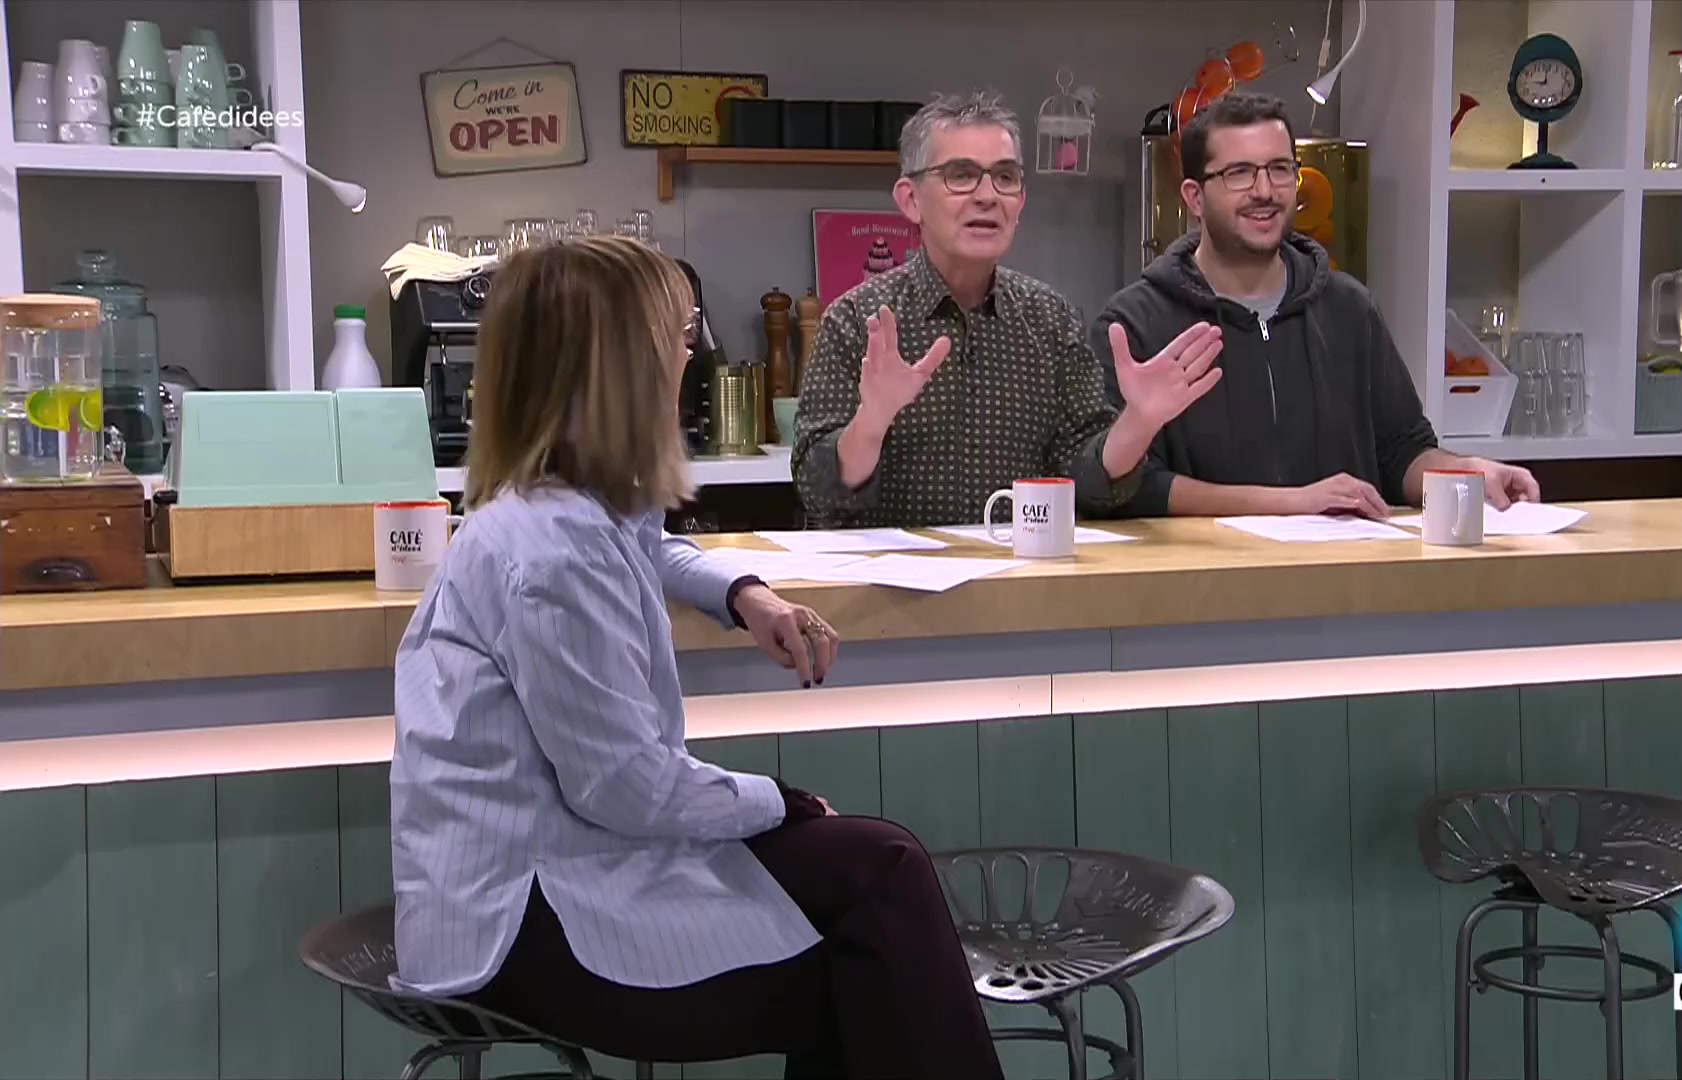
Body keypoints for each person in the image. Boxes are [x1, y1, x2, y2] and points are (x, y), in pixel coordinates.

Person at [390, 235, 1006, 1080]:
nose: (691, 356)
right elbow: (625, 787)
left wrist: (742, 591)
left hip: (560, 875)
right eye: (677, 336)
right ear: (620, 366)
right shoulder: (554, 552)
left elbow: (644, 548)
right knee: (876, 930)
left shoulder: (555, 510)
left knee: (876, 900)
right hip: (525, 922)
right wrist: (780, 802)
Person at [792, 90, 1224, 528]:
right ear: (910, 199)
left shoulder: (1051, 319)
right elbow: (816, 489)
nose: (987, 195)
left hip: (1019, 566)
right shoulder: (856, 320)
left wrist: (1139, 422)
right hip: (891, 570)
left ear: (1020, 201)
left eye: (1005, 177)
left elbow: (1088, 484)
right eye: (961, 175)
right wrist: (872, 420)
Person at [1095, 92, 1539, 518]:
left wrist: (1466, 473)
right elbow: (1127, 486)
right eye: (1239, 173)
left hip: (1346, 567)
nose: (1264, 190)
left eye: (1279, 169)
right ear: (1195, 197)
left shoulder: (1349, 309)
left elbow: (1402, 451)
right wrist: (1291, 503)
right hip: (1207, 570)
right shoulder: (1136, 324)